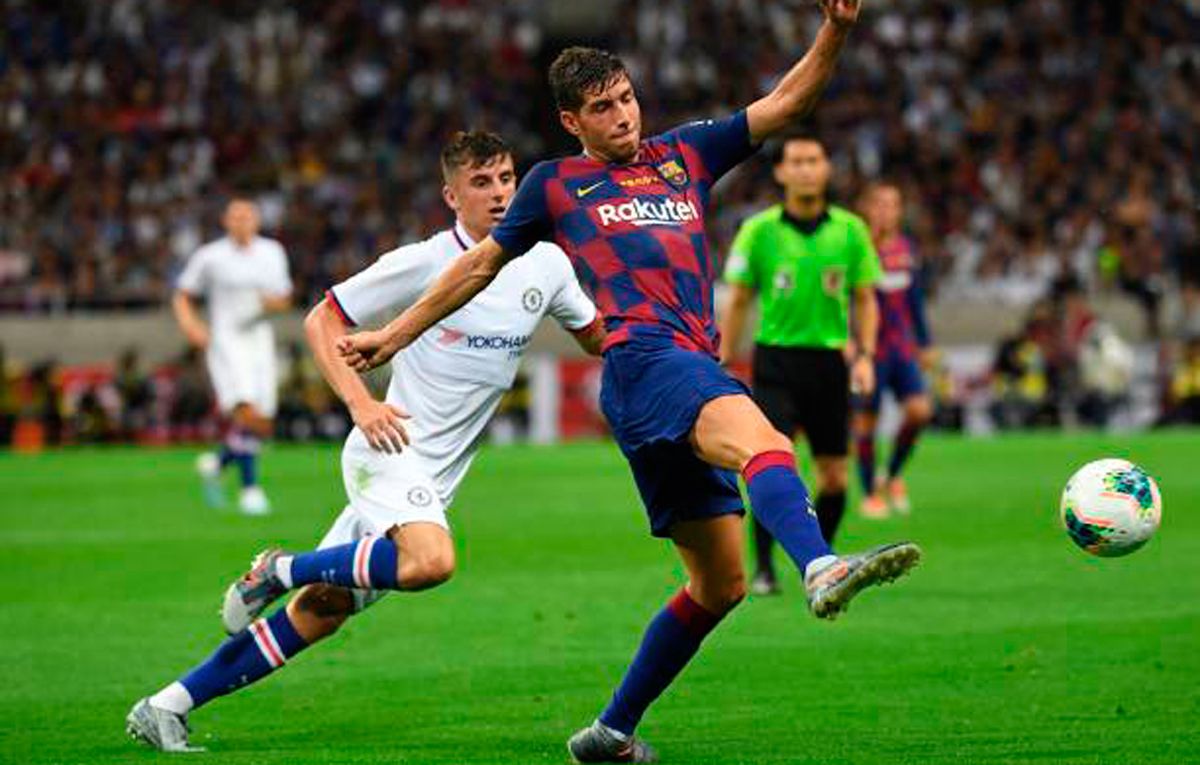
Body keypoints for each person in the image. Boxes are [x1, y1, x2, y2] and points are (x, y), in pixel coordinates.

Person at [337, 3, 921, 761]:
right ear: (571, 120)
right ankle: (820, 562)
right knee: (765, 442)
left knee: (720, 585)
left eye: (626, 97)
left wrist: (836, 30)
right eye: (602, 107)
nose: (622, 115)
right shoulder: (554, 185)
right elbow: (477, 266)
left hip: (678, 369)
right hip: (645, 358)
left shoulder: (686, 155)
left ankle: (610, 730)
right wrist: (392, 334)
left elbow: (786, 104)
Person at [126, 131, 604, 753]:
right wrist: (361, 403)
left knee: (321, 609)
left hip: (433, 481)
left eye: (507, 178)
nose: (499, 193)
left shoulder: (547, 264)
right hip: (386, 451)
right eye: (481, 183)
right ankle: (279, 567)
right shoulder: (426, 262)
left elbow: (599, 336)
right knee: (432, 563)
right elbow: (321, 318)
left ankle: (167, 705)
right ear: (451, 195)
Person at [719, 131, 883, 596]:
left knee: (835, 477)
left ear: (826, 168)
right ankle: (766, 567)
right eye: (798, 161)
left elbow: (866, 298)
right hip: (776, 361)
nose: (807, 168)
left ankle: (818, 559)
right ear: (781, 172)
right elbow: (740, 299)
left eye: (815, 159)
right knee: (775, 463)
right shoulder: (760, 230)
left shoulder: (851, 230)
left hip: (830, 363)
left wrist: (866, 354)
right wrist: (725, 358)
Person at [172, 198, 293, 514]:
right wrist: (191, 325)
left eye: (247, 216)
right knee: (246, 411)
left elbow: (284, 296)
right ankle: (250, 490)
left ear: (256, 220)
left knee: (263, 422)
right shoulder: (210, 256)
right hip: (227, 340)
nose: (241, 222)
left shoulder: (272, 252)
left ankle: (217, 462)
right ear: (226, 221)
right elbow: (183, 294)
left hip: (260, 339)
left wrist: (274, 303)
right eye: (235, 217)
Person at [852, 182, 935, 519]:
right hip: (867, 351)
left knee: (919, 412)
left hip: (900, 350)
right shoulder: (856, 248)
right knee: (866, 422)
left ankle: (893, 473)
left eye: (894, 204)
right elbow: (845, 298)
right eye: (881, 204)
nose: (887, 211)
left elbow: (914, 301)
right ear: (868, 209)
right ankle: (871, 493)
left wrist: (925, 343)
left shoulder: (905, 247)